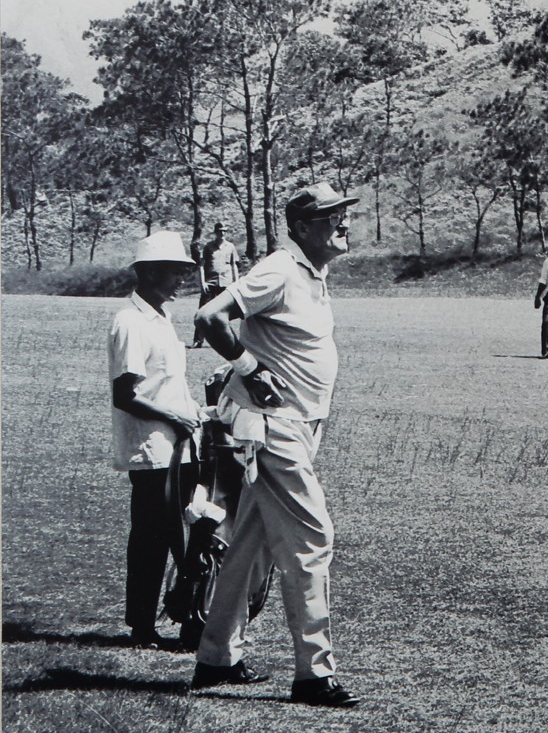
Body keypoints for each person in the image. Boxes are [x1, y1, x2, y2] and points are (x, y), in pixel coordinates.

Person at [191, 182, 362, 708]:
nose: (343, 223)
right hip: (273, 424)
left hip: (299, 424)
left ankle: (216, 659)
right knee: (313, 538)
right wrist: (250, 367)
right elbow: (209, 317)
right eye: (331, 217)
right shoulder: (280, 269)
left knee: (251, 545)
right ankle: (314, 673)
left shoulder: (313, 272)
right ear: (303, 228)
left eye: (342, 214)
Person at [108, 230, 203, 648]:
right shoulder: (129, 321)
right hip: (153, 448)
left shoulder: (161, 316)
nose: (181, 278)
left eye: (183, 270)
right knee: (153, 538)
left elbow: (166, 382)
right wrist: (174, 417)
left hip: (178, 444)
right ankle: (145, 626)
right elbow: (125, 395)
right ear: (148, 273)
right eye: (173, 270)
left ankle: (186, 617)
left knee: (183, 534)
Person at [191, 222, 241, 348]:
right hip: (211, 283)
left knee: (224, 313)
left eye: (224, 231)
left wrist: (236, 282)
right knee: (203, 311)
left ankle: (226, 341)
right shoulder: (208, 247)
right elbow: (201, 266)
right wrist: (202, 282)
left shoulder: (230, 247)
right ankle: (198, 340)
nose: (222, 233)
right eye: (219, 231)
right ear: (215, 232)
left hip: (226, 283)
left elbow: (233, 265)